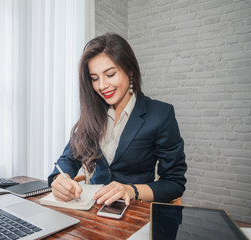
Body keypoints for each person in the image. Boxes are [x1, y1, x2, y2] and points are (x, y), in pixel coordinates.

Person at [48, 33, 187, 206]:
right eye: (94, 78)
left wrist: (131, 190)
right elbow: (69, 158)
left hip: (135, 211)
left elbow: (174, 183)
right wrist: (61, 178)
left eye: (110, 74)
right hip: (93, 210)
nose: (101, 86)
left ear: (129, 70)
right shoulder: (92, 113)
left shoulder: (160, 114)